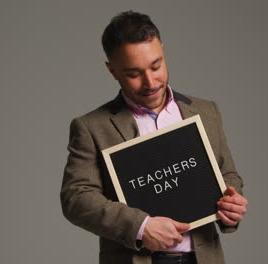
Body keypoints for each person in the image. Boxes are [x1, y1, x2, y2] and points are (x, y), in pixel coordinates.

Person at [60, 10, 248, 264]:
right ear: (112, 70)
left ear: (163, 52)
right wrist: (141, 226)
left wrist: (232, 200)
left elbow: (228, 174)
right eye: (133, 74)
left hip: (204, 257)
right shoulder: (91, 127)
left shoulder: (206, 111)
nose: (150, 82)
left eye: (156, 65)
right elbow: (76, 198)